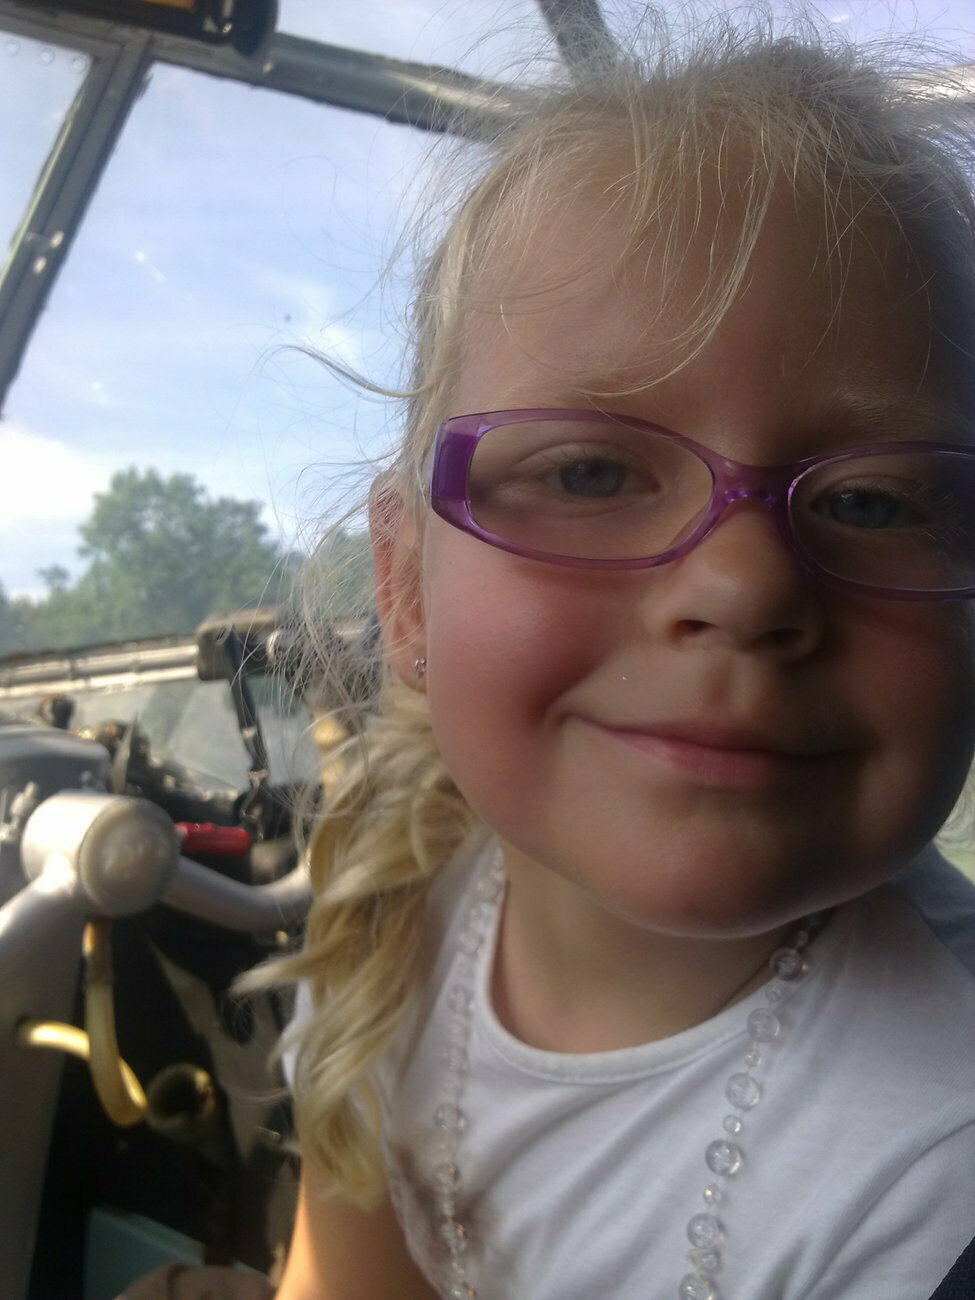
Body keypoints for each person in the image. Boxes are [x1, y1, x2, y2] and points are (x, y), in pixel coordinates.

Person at [265, 10, 975, 1299]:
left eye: (874, 500)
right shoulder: (382, 914)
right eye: (589, 472)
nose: (746, 585)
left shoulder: (935, 1175)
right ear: (405, 589)